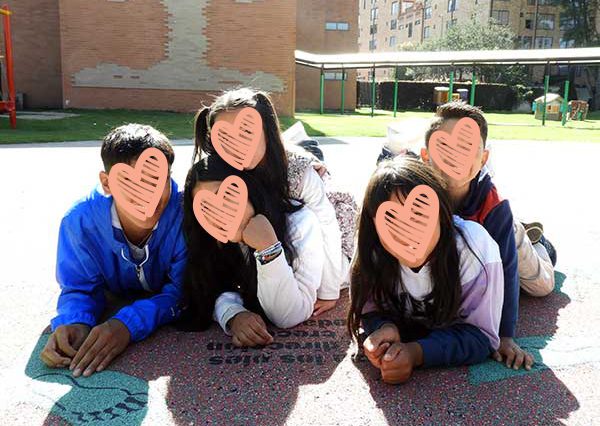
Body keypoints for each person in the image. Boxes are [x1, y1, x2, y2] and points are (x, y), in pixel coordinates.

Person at [40, 124, 187, 377]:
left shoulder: (187, 216)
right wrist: (75, 320)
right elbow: (79, 286)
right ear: (107, 183)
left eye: (156, 181)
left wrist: (128, 324)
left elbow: (186, 291)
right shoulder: (79, 222)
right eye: (130, 183)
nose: (147, 195)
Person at [420, 101, 557, 370]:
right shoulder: (415, 192)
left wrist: (505, 335)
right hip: (473, 247)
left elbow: (506, 269)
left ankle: (538, 244)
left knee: (541, 287)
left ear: (483, 158)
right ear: (426, 155)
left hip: (505, 236)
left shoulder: (494, 207)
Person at [193, 88, 353, 316]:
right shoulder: (226, 172)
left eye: (247, 132)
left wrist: (329, 290)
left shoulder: (299, 173)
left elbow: (326, 223)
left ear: (265, 130)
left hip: (325, 245)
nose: (238, 144)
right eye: (226, 138)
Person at [348, 157, 504, 385]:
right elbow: (369, 311)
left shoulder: (477, 249)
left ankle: (529, 241)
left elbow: (483, 338)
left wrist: (416, 353)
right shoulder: (369, 252)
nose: (408, 232)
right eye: (391, 220)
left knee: (538, 282)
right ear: (374, 226)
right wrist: (383, 328)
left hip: (504, 263)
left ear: (440, 213)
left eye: (419, 215)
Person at [179, 155, 325, 347]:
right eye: (206, 207)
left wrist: (269, 250)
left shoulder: (301, 222)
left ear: (248, 189)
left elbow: (289, 316)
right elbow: (210, 288)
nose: (220, 213)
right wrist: (232, 314)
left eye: (228, 196)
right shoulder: (211, 238)